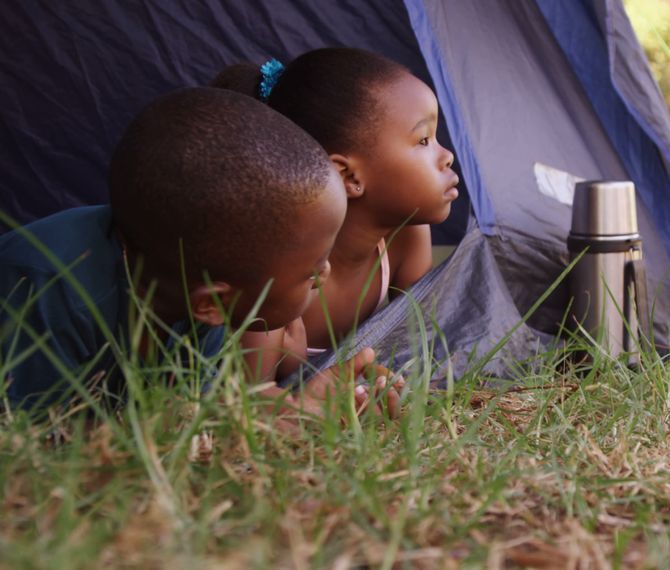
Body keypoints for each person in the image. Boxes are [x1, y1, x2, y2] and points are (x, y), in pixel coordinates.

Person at [0, 87, 370, 417]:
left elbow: (191, 411)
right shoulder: (48, 293)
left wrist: (294, 411)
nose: (324, 273)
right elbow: (36, 451)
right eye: (311, 267)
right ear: (212, 302)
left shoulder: (191, 287)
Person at [213, 49, 459, 387]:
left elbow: (423, 344)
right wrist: (297, 370)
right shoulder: (279, 267)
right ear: (348, 176)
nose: (447, 156)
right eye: (424, 140)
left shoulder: (406, 235)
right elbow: (256, 398)